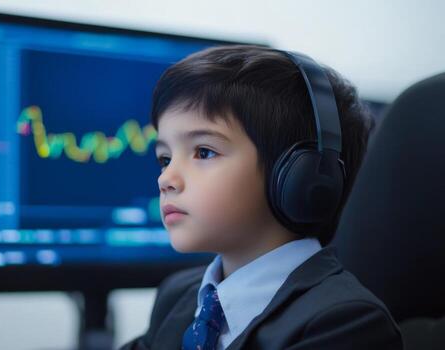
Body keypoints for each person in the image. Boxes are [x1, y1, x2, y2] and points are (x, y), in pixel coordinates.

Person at [120, 45, 402, 350]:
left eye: (204, 152)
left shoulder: (345, 323)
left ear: (302, 177)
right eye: (165, 158)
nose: (166, 179)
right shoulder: (180, 297)